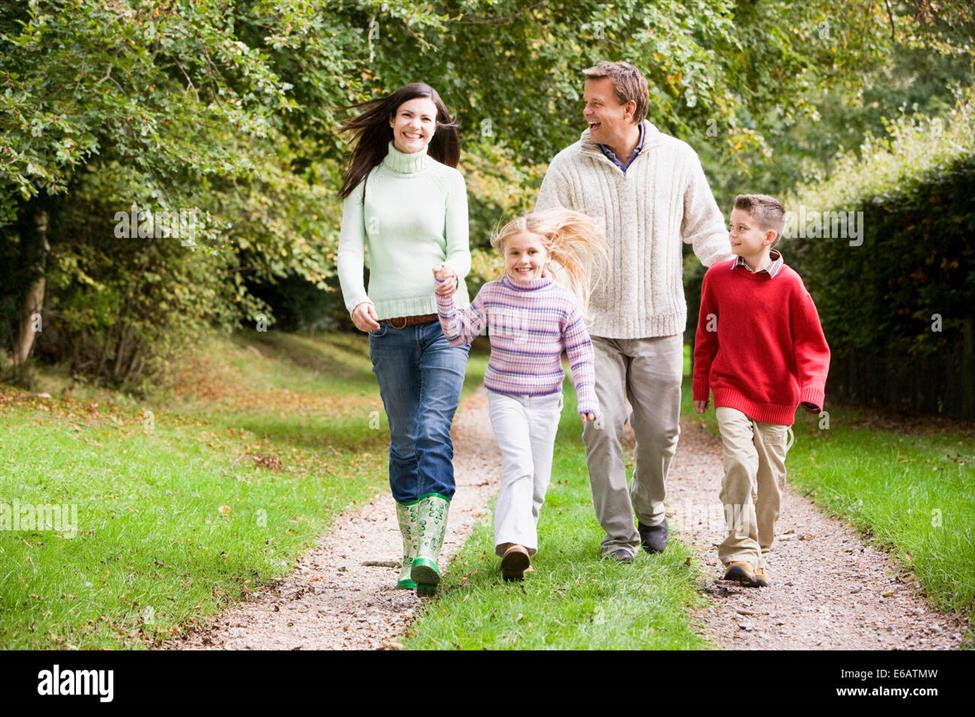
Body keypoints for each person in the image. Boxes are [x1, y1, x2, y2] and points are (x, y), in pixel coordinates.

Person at [536, 60, 733, 562]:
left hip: (660, 323)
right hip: (592, 327)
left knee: (660, 435)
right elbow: (545, 243)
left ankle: (652, 510)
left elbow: (707, 231)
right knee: (599, 426)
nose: (586, 111)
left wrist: (741, 278)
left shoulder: (678, 159)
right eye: (586, 102)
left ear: (629, 107)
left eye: (595, 103)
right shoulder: (567, 166)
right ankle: (619, 536)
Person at [336, 83, 471, 596]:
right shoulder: (364, 183)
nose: (418, 126)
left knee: (434, 428)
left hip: (445, 323)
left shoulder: (448, 182)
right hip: (388, 328)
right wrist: (356, 299)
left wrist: (453, 275)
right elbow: (350, 252)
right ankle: (411, 547)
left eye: (428, 120)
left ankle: (429, 553)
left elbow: (461, 251)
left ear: (437, 128)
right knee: (405, 439)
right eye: (409, 116)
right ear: (393, 120)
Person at [432, 208, 604, 581]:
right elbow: (458, 334)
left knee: (538, 483)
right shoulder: (492, 294)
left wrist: (587, 396)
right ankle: (510, 543)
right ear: (503, 256)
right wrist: (446, 298)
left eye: (531, 253)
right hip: (505, 396)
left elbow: (580, 352)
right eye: (515, 253)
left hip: (546, 400)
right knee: (519, 465)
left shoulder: (561, 300)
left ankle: (523, 550)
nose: (523, 260)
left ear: (546, 256)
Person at [693, 194, 830, 586]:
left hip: (776, 396)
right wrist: (702, 381)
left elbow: (811, 344)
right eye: (731, 225)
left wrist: (811, 390)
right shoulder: (716, 277)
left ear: (768, 236)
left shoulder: (790, 285)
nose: (731, 233)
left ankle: (760, 551)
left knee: (770, 486)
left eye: (741, 228)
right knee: (739, 464)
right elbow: (705, 336)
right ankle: (739, 551)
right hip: (731, 386)